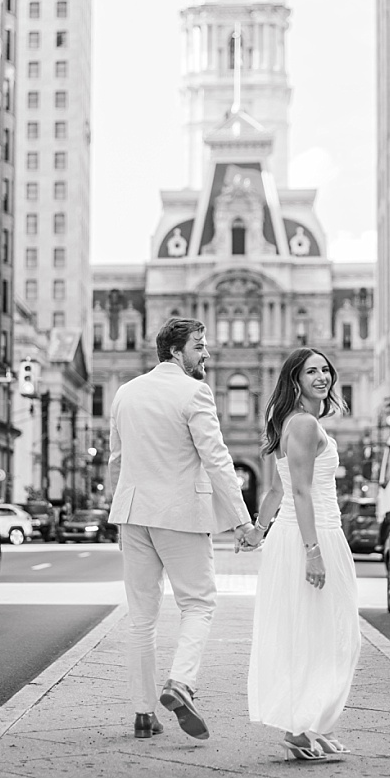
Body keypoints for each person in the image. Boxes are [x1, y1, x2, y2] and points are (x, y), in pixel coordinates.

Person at [108, 318, 259, 741]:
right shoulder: (194, 391)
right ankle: (180, 683)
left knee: (141, 618)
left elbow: (116, 460)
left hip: (133, 513)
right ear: (176, 352)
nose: (206, 353)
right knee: (198, 604)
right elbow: (217, 459)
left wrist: (121, 505)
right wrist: (242, 522)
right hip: (179, 514)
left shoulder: (126, 392)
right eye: (198, 345)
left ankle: (142, 715)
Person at [248, 348, 362, 760]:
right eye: (311, 371)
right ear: (294, 379)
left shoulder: (291, 422)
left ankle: (307, 727)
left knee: (314, 633)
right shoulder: (304, 423)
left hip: (302, 533)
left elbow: (275, 489)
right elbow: (296, 491)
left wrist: (259, 530)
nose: (322, 377)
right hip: (313, 535)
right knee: (337, 635)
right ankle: (301, 728)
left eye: (325, 369)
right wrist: (313, 551)